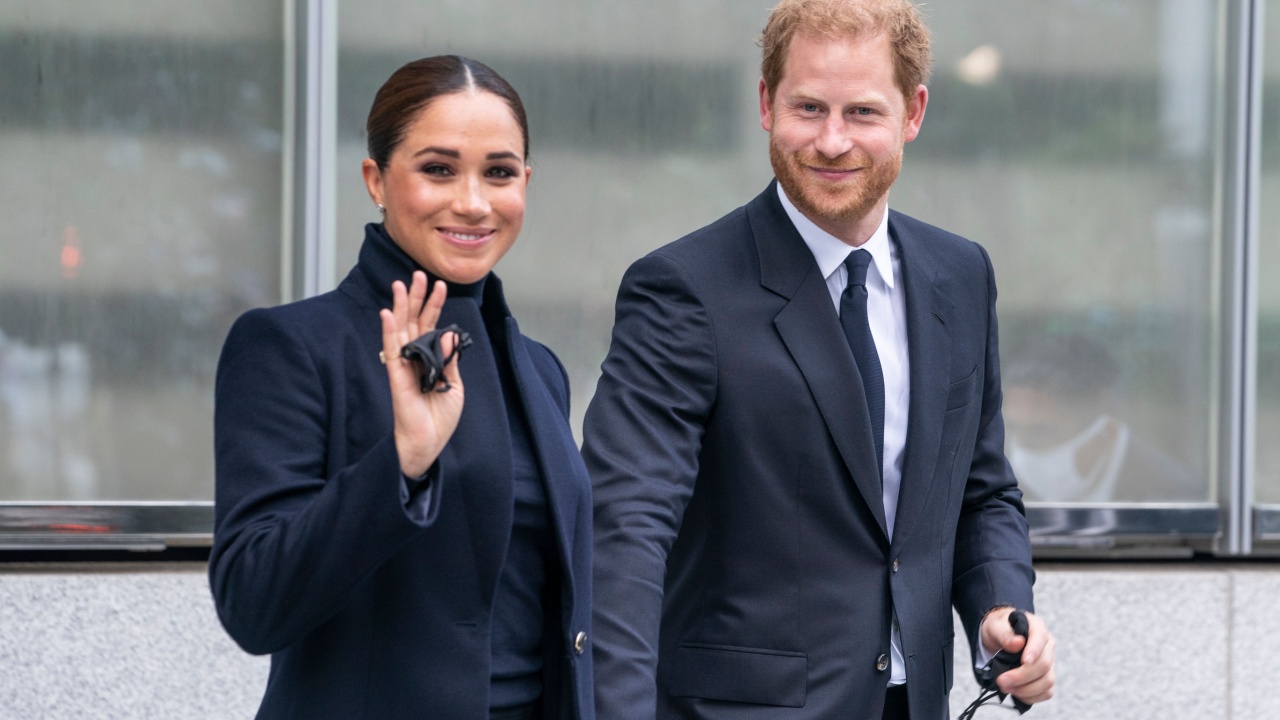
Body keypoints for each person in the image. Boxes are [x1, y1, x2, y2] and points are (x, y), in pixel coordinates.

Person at [583, 1, 1055, 718]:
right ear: (766, 103)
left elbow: (979, 490)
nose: (832, 142)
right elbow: (625, 530)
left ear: (912, 113)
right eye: (808, 107)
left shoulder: (960, 275)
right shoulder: (682, 289)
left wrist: (999, 607)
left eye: (862, 112)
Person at [209, 55, 593, 720]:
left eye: (499, 172)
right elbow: (253, 603)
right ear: (376, 180)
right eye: (438, 169)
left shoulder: (539, 371)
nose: (473, 201)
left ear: (525, 184)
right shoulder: (291, 347)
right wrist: (403, 463)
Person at [1003, 332, 1201, 502]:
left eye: (1040, 432)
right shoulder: (1007, 497)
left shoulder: (1174, 500)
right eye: (1012, 429)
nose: (1022, 450)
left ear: (1104, 431)